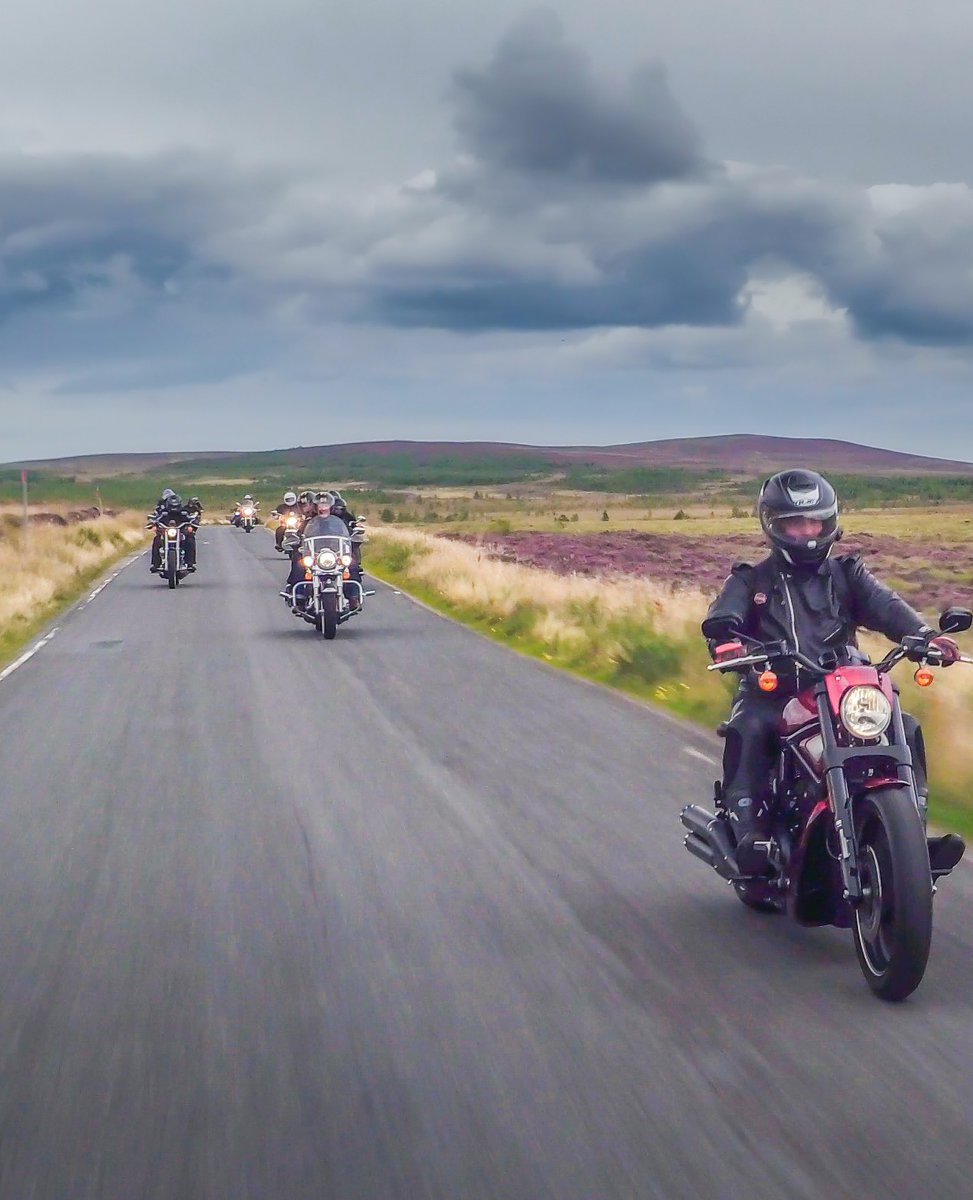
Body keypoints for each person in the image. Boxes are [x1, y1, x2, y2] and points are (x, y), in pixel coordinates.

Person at [701, 468, 960, 875]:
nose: (807, 531)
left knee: (903, 726)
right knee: (749, 727)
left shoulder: (847, 574)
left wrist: (925, 635)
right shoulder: (752, 578)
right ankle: (748, 830)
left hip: (842, 692)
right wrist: (728, 641)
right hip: (776, 692)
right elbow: (723, 619)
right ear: (774, 524)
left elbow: (886, 606)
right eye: (794, 522)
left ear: (830, 521)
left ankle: (910, 836)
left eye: (815, 521)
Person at [148, 492, 198, 572]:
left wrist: (192, 525)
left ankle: (190, 564)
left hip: (181, 533)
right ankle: (156, 564)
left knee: (190, 539)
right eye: (172, 506)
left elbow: (191, 518)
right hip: (166, 533)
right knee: (157, 540)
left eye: (175, 506)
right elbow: (156, 518)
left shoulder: (183, 512)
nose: (174, 508)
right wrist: (153, 524)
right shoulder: (164, 513)